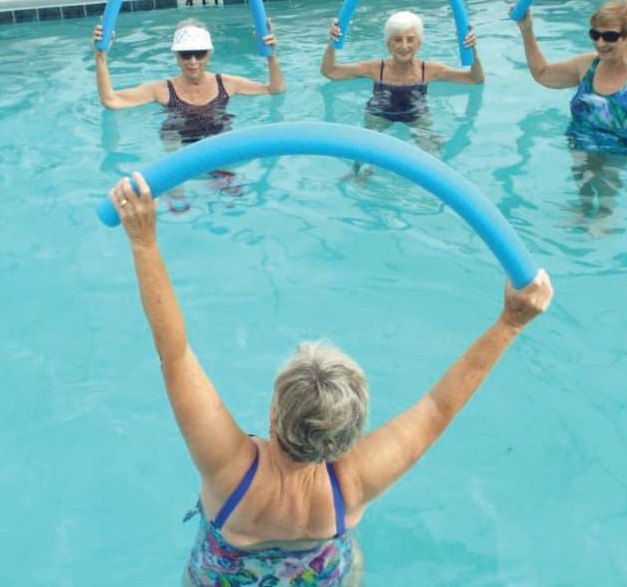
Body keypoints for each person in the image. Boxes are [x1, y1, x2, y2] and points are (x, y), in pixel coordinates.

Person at [108, 173, 554, 585]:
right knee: (347, 557)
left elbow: (174, 352)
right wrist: (511, 323)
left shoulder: (228, 469)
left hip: (221, 575)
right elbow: (438, 408)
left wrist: (144, 242)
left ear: (273, 412)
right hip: (325, 572)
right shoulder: (355, 481)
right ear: (351, 438)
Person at [514, 0, 627, 230]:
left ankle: (607, 212)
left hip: (618, 150)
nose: (600, 42)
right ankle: (584, 208)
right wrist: (527, 30)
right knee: (583, 177)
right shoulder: (588, 64)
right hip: (580, 141)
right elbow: (543, 74)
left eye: (609, 37)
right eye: (594, 34)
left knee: (606, 182)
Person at [94, 19, 285, 211]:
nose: (193, 61)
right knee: (170, 136)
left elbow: (275, 89)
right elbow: (111, 101)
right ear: (177, 56)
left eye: (199, 54)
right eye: (186, 55)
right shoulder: (162, 89)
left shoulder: (226, 83)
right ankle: (177, 186)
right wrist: (100, 55)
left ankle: (219, 172)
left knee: (236, 195)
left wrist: (271, 55)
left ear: (208, 54)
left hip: (216, 139)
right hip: (179, 144)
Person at [321, 11, 484, 159]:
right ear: (388, 44)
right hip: (379, 114)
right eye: (397, 39)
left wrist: (473, 50)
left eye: (410, 39)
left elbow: (474, 79)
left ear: (419, 43)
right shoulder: (376, 68)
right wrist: (332, 42)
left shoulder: (428, 70)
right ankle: (362, 172)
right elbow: (331, 72)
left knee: (433, 157)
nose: (404, 46)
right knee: (364, 154)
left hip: (416, 115)